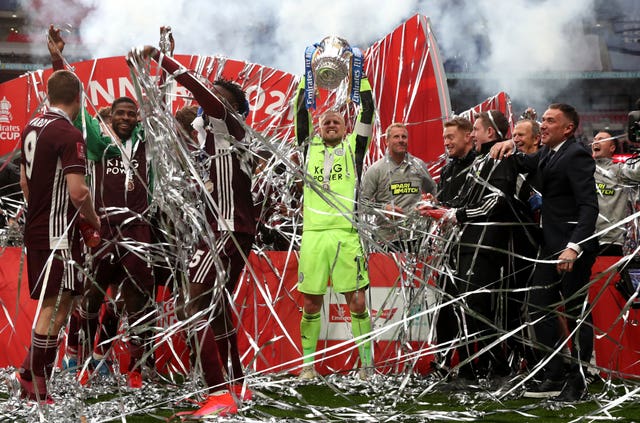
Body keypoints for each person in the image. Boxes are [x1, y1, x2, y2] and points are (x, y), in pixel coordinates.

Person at [134, 44, 256, 416]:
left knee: (195, 302)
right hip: (225, 227)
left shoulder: (231, 124)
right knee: (216, 308)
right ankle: (235, 387)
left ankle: (218, 393)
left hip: (228, 228)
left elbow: (200, 93)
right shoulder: (214, 140)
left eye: (219, 98)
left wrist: (162, 60)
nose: (209, 102)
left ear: (232, 108)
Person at [47, 26, 155, 389]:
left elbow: (155, 109)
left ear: (137, 119)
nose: (126, 117)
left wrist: (145, 67)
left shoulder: (147, 145)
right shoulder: (97, 141)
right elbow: (72, 104)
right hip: (104, 228)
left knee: (137, 297)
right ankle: (80, 355)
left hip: (138, 229)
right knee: (91, 295)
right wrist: (57, 60)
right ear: (111, 118)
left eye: (131, 114)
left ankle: (135, 366)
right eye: (120, 113)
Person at [491, 103, 599, 402]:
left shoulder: (575, 154)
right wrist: (507, 143)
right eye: (544, 120)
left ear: (568, 127)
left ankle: (578, 381)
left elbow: (589, 206)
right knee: (538, 309)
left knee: (576, 315)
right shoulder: (550, 154)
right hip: (549, 247)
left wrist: (573, 247)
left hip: (570, 250)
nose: (544, 125)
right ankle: (554, 374)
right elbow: (524, 162)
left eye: (551, 121)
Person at [15, 69, 101, 403]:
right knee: (56, 308)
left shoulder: (31, 126)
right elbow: (79, 193)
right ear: (79, 99)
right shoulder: (67, 132)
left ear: (49, 95)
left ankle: (27, 371)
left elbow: (24, 182)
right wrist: (94, 220)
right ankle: (35, 383)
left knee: (58, 304)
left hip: (37, 229)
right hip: (59, 236)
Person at [422, 110, 519, 387]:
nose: (446, 142)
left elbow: (494, 202)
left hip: (483, 244)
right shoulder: (455, 166)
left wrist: (454, 215)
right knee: (451, 306)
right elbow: (460, 203)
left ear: (483, 134)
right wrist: (438, 207)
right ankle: (459, 368)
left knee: (474, 306)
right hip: (458, 244)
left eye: (452, 136)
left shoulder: (495, 158)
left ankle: (496, 367)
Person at [294, 71, 375, 380]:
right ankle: (307, 367)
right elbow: (300, 110)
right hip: (313, 236)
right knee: (311, 303)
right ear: (319, 127)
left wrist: (359, 75)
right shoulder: (308, 148)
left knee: (356, 301)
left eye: (336, 122)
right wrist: (308, 74)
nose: (330, 124)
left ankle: (366, 366)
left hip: (346, 235)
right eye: (326, 121)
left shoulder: (355, 149)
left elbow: (368, 109)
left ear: (346, 128)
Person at [360, 122, 436, 250]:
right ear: (387, 141)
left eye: (404, 137)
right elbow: (361, 203)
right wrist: (384, 209)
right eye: (396, 137)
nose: (401, 140)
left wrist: (431, 202)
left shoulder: (418, 165)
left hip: (418, 238)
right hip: (387, 240)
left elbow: (434, 191)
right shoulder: (376, 170)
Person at [591, 131, 640, 256]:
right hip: (583, 239)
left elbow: (637, 171)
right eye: (595, 138)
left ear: (612, 148)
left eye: (601, 139)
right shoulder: (583, 171)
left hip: (610, 241)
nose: (595, 141)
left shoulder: (619, 170)